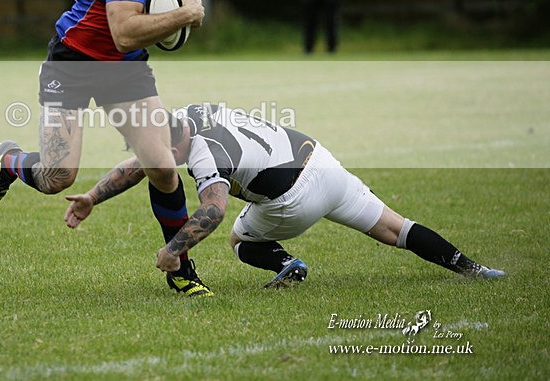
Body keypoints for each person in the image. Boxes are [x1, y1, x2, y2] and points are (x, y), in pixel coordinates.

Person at [0, 0, 225, 295]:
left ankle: (180, 268)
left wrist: (177, 18)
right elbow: (124, 34)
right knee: (59, 176)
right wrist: (185, 15)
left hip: (124, 71)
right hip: (73, 62)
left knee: (162, 167)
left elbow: (141, 35)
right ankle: (10, 161)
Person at [64, 103, 506, 294]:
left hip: (293, 200)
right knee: (395, 227)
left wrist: (173, 250)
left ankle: (283, 263)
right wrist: (93, 197)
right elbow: (146, 161)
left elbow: (214, 209)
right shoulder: (191, 116)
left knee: (239, 239)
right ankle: (472, 267)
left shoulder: (203, 153)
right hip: (322, 162)